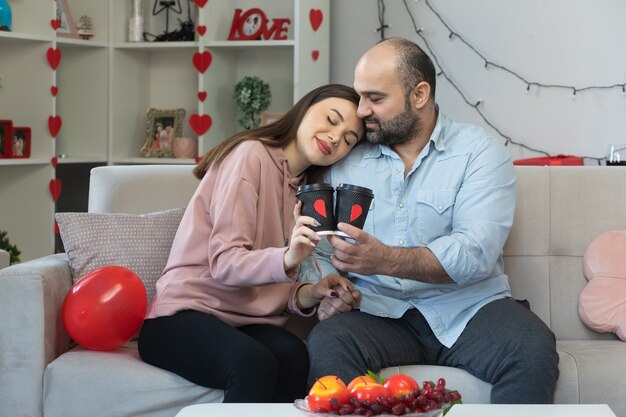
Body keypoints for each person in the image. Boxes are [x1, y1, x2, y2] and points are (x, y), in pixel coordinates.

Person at [303, 38, 560, 404]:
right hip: (378, 312)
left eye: (375, 99)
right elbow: (321, 248)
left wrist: (386, 259)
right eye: (360, 97)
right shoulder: (346, 159)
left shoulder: (479, 152)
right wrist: (328, 291)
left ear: (419, 94)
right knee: (328, 341)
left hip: (469, 309)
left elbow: (475, 252)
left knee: (532, 347)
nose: (360, 111)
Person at [138, 84, 364, 403]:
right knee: (253, 363)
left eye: (349, 139)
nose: (335, 137)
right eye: (331, 118)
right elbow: (226, 264)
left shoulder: (307, 191)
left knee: (294, 356)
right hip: (183, 315)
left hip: (244, 322)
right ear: (305, 108)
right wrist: (288, 258)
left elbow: (266, 287)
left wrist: (310, 293)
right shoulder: (251, 154)